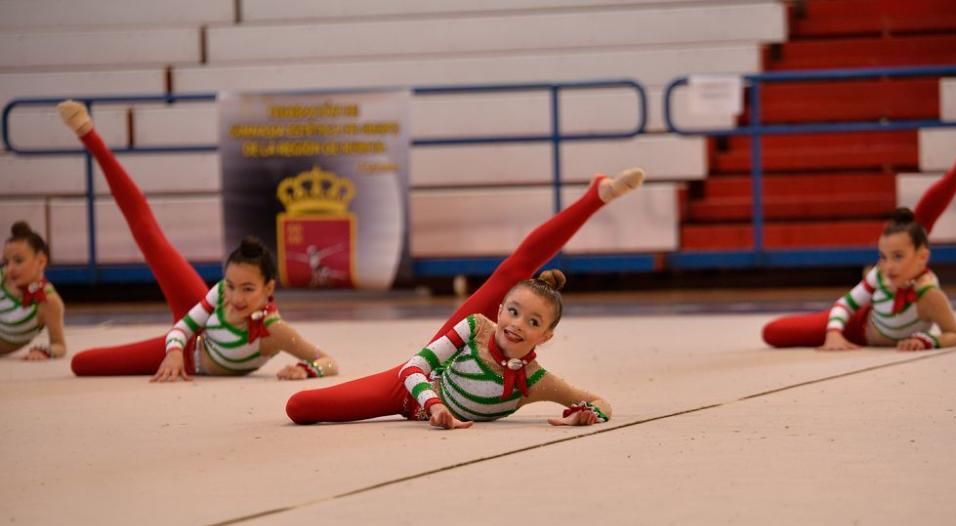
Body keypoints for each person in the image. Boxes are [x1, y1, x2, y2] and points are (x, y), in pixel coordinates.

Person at [285, 167, 646, 428]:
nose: (518, 326)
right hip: (409, 389)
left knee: (301, 407)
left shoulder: (536, 381)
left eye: (533, 322)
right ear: (502, 310)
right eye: (514, 313)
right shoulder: (479, 328)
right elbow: (413, 368)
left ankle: (595, 196)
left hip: (427, 393)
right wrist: (435, 404)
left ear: (546, 336)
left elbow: (598, 403)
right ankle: (595, 196)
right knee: (300, 407)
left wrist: (584, 417)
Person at [57, 100, 338, 381]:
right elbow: (183, 328)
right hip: (188, 331)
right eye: (231, 285)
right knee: (149, 235)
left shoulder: (274, 330)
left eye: (248, 289)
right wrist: (175, 350)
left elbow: (327, 361)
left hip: (194, 360)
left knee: (83, 363)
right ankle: (88, 134)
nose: (236, 298)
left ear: (269, 289)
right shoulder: (219, 294)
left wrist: (305, 369)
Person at [761, 141, 956, 351]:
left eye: (896, 257)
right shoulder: (882, 275)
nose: (887, 265)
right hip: (858, 324)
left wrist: (927, 341)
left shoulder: (929, 295)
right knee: (773, 332)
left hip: (876, 325)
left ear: (923, 258)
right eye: (882, 257)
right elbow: (845, 303)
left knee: (918, 227)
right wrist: (833, 333)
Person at [1, 221, 67, 361]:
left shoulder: (48, 301)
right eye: (6, 262)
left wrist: (45, 351)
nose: (10, 269)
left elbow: (59, 345)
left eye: (18, 261)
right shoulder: (2, 277)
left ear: (41, 261)